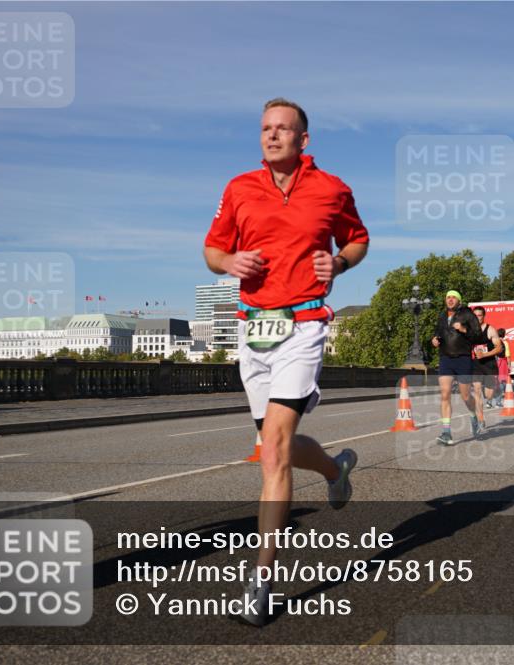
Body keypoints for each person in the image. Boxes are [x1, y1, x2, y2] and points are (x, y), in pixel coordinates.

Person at [204, 98, 369, 626]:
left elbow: (359, 238)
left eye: (283, 130)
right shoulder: (238, 189)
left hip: (304, 324)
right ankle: (335, 468)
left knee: (272, 451)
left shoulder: (332, 189)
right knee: (272, 442)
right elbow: (211, 249)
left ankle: (260, 583)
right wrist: (229, 261)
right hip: (253, 327)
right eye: (265, 129)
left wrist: (339, 260)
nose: (272, 136)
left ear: (304, 140)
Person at [432, 291, 484, 445]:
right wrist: (434, 340)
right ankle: (446, 433)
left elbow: (478, 335)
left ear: (459, 300)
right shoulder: (442, 316)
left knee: (466, 396)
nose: (450, 299)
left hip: (463, 358)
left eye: (453, 297)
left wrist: (463, 329)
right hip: (445, 358)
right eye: (448, 297)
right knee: (445, 394)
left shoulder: (467, 314)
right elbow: (437, 333)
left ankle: (474, 416)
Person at [471, 307, 503, 426]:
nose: (477, 318)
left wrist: (484, 354)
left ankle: (493, 391)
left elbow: (499, 348)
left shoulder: (490, 330)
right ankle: (480, 419)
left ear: (484, 316)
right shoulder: (470, 331)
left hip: (489, 364)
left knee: (488, 395)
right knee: (477, 391)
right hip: (476, 365)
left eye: (479, 315)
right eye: (475, 316)